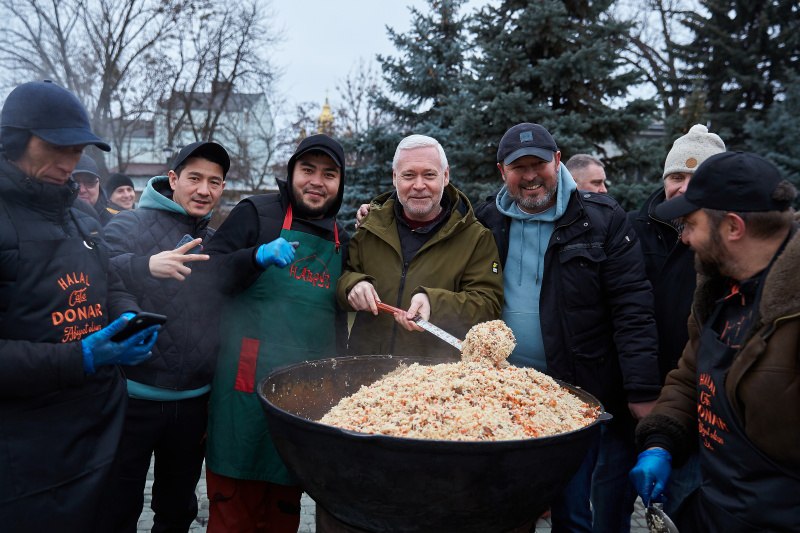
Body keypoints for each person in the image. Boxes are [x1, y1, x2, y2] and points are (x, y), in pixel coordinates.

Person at [473, 123, 661, 532]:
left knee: (574, 511)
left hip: (575, 394)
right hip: (502, 391)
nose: (529, 176)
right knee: (507, 509)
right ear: (501, 170)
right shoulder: (485, 220)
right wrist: (374, 210)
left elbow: (633, 309)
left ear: (557, 162)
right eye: (517, 167)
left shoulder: (602, 220)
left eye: (538, 164)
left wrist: (642, 389)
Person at [0, 80, 158, 532]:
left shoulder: (81, 216)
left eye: (78, 149)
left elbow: (110, 283)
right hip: (26, 453)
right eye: (55, 147)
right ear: (13, 140)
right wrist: (81, 355)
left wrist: (126, 316)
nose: (70, 163)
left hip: (100, 433)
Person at [630, 151, 800, 532]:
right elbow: (691, 374)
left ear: (733, 227)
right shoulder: (717, 291)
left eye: (691, 223)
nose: (685, 237)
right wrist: (660, 441)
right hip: (716, 507)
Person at [203, 134, 350, 533]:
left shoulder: (343, 238)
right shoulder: (257, 213)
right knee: (234, 509)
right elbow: (207, 275)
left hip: (305, 393)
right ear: (291, 173)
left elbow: (340, 320)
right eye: (308, 170)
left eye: (329, 174)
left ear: (340, 184)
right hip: (244, 383)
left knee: (282, 510)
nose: (317, 181)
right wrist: (255, 256)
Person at [99, 141, 230, 532]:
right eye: (194, 178)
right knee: (117, 507)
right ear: (173, 179)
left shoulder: (216, 238)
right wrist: (145, 265)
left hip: (192, 404)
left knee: (177, 511)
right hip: (133, 399)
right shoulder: (130, 222)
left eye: (215, 181)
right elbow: (98, 269)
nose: (204, 190)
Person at [627, 124, 725, 515]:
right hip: (656, 401)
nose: (683, 187)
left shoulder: (732, 256)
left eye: (695, 178)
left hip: (713, 415)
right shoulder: (634, 230)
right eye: (675, 177)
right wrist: (642, 391)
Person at [338, 134, 503, 358]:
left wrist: (434, 303)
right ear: (395, 177)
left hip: (434, 378)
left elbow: (488, 305)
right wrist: (352, 285)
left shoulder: (475, 237)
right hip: (367, 371)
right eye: (408, 175)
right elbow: (343, 275)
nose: (418, 185)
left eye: (429, 175)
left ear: (445, 176)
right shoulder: (370, 228)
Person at [73, 153, 118, 225]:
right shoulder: (53, 221)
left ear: (99, 186)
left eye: (90, 182)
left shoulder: (114, 223)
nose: (82, 190)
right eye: (75, 183)